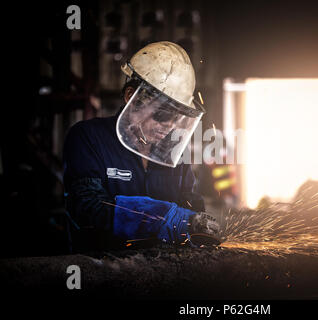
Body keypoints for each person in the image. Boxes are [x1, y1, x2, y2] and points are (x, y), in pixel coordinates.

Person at [63, 41, 219, 251]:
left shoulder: (175, 150)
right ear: (131, 98)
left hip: (162, 272)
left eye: (177, 118)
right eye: (163, 114)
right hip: (101, 270)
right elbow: (88, 208)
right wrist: (162, 218)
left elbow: (191, 206)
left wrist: (199, 228)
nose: (170, 126)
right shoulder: (88, 138)